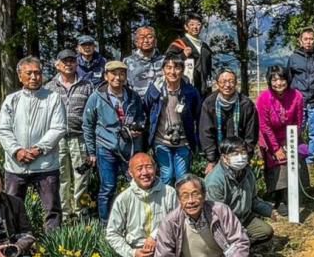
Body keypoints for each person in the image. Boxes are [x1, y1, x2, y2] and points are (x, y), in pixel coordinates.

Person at [154, 175, 250, 257]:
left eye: (195, 194)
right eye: (185, 196)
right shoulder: (170, 221)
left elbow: (240, 241)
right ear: (179, 200)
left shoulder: (220, 211)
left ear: (204, 195)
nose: (191, 201)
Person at [0, 56, 67, 232]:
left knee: (51, 209)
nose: (34, 77)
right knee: (11, 207)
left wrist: (38, 149)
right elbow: (3, 130)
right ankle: (15, 241)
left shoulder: (53, 98)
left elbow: (58, 128)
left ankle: (53, 246)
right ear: (20, 76)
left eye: (38, 73)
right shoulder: (12, 100)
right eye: (29, 73)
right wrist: (17, 151)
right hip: (16, 166)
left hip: (45, 165)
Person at [82, 60, 146, 225]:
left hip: (130, 148)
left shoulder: (133, 96)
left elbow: (141, 117)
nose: (118, 77)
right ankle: (105, 225)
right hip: (106, 147)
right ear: (106, 76)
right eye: (114, 73)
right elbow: (88, 125)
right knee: (108, 188)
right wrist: (91, 152)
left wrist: (138, 129)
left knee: (135, 185)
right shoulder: (96, 97)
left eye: (121, 74)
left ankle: (134, 222)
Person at [106, 153, 178, 257]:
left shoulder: (169, 193)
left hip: (163, 246)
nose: (145, 173)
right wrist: (133, 253)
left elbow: (176, 222)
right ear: (130, 173)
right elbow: (112, 233)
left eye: (148, 167)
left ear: (155, 168)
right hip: (137, 249)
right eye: (139, 169)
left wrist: (155, 236)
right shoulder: (124, 198)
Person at [45, 49, 95, 221]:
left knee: (82, 177)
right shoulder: (49, 87)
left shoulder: (87, 86)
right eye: (65, 61)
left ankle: (81, 213)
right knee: (61, 178)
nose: (69, 64)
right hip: (57, 140)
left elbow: (92, 116)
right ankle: (65, 215)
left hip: (79, 138)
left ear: (77, 63)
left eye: (72, 61)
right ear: (57, 65)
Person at [142, 54, 202, 186]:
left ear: (182, 70)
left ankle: (183, 205)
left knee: (182, 177)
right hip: (161, 140)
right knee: (167, 175)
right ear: (163, 69)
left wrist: (196, 140)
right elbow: (145, 109)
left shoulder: (190, 92)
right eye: (168, 67)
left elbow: (198, 116)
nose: (172, 72)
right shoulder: (155, 90)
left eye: (177, 68)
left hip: (183, 141)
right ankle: (167, 205)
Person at [206, 136, 274, 244]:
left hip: (244, 218)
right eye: (235, 154)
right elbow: (217, 214)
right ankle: (234, 249)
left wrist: (270, 211)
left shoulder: (247, 172)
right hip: (224, 223)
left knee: (265, 231)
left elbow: (253, 200)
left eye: (243, 152)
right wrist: (238, 230)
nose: (240, 157)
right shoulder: (215, 181)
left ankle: (243, 247)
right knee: (233, 239)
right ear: (224, 158)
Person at [256, 66, 304, 214]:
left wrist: (291, 142)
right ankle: (276, 195)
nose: (278, 83)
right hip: (269, 136)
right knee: (276, 161)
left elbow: (298, 121)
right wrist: (276, 148)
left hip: (289, 134)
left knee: (295, 157)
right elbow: (265, 126)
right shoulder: (263, 98)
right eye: (274, 79)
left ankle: (292, 193)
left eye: (282, 79)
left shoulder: (297, 96)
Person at [198, 68, 258, 175]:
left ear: (236, 83)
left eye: (231, 81)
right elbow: (206, 132)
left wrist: (245, 156)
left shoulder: (246, 104)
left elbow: (251, 133)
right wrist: (211, 159)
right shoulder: (209, 104)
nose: (227, 85)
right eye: (223, 81)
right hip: (217, 156)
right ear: (217, 83)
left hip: (240, 155)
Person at [286, 27, 314, 167]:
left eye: (311, 39)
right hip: (299, 101)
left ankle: (311, 160)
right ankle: (299, 157)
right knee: (298, 131)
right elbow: (288, 78)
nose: (308, 42)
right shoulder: (293, 58)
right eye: (306, 39)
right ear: (300, 41)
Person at [125, 26, 165, 100]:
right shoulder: (127, 62)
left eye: (150, 37)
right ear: (136, 42)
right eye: (142, 37)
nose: (146, 40)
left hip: (161, 107)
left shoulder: (165, 61)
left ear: (155, 41)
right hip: (137, 106)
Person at [178, 14, 215, 95]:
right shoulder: (179, 44)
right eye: (192, 24)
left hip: (203, 91)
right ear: (186, 27)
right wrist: (182, 55)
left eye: (198, 24)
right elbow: (168, 62)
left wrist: (209, 88)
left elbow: (208, 72)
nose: (195, 27)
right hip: (184, 90)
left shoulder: (205, 48)